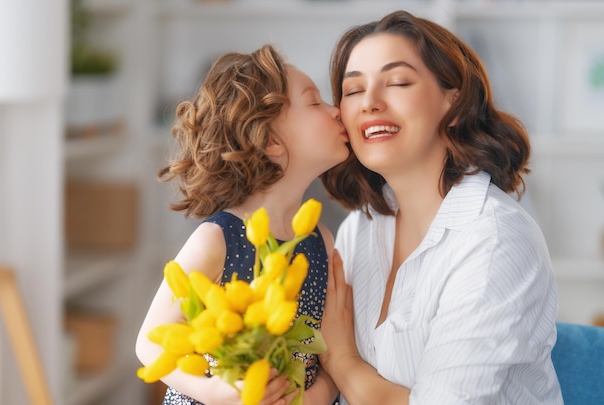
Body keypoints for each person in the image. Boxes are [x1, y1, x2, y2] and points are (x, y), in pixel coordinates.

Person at [318, 10, 563, 404]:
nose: (370, 103)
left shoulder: (494, 239)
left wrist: (344, 362)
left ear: (453, 99)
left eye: (397, 82)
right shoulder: (361, 226)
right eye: (352, 90)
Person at [135, 44, 348, 405]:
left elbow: (327, 354)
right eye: (315, 102)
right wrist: (215, 393)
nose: (338, 110)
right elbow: (150, 343)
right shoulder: (217, 239)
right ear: (270, 141)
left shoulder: (319, 241)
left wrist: (311, 399)